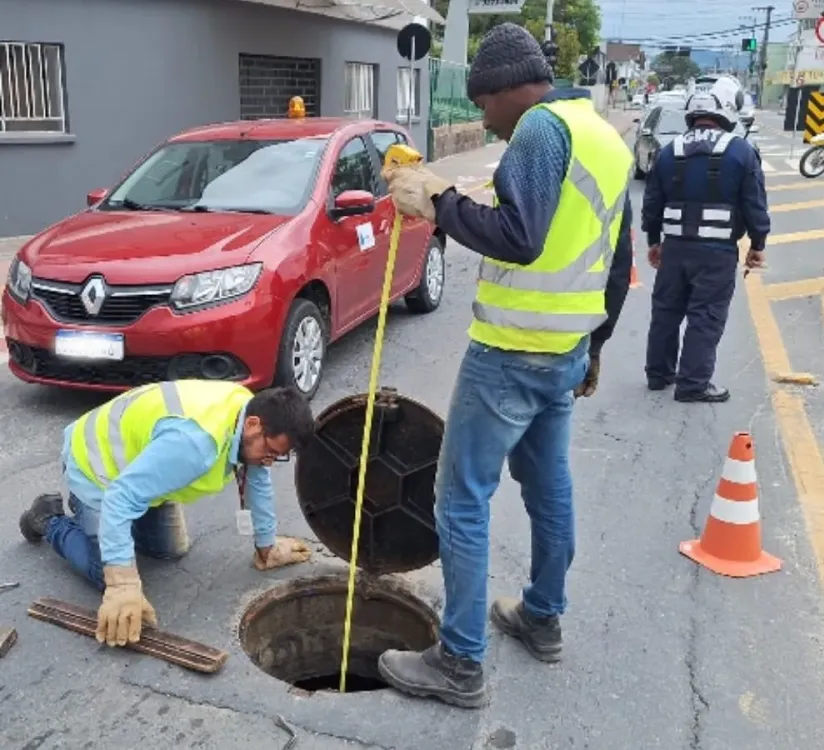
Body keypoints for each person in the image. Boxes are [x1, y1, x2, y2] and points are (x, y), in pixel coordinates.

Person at [373, 22, 635, 708]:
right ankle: (542, 617)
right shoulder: (602, 135)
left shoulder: (540, 133)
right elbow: (618, 257)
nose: (484, 119)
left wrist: (437, 200)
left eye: (485, 106)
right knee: (549, 487)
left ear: (508, 89)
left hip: (511, 353)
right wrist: (596, 348)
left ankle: (460, 662)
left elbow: (519, 237)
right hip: (564, 352)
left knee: (460, 500)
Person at [18, 380, 316, 646]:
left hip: (142, 472)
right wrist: (122, 584)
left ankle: (112, 525)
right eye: (272, 452)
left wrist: (267, 545)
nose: (271, 461)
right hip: (97, 472)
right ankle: (50, 520)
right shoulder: (194, 446)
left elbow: (257, 477)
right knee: (104, 571)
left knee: (170, 551)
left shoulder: (246, 409)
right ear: (253, 424)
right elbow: (120, 497)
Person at [642, 77, 770, 403]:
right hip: (716, 252)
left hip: (674, 249)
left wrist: (654, 241)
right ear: (727, 107)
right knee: (706, 315)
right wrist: (758, 244)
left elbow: (652, 203)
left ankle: (659, 375)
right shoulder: (741, 151)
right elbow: (754, 203)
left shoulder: (670, 151)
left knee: (666, 311)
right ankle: (693, 384)